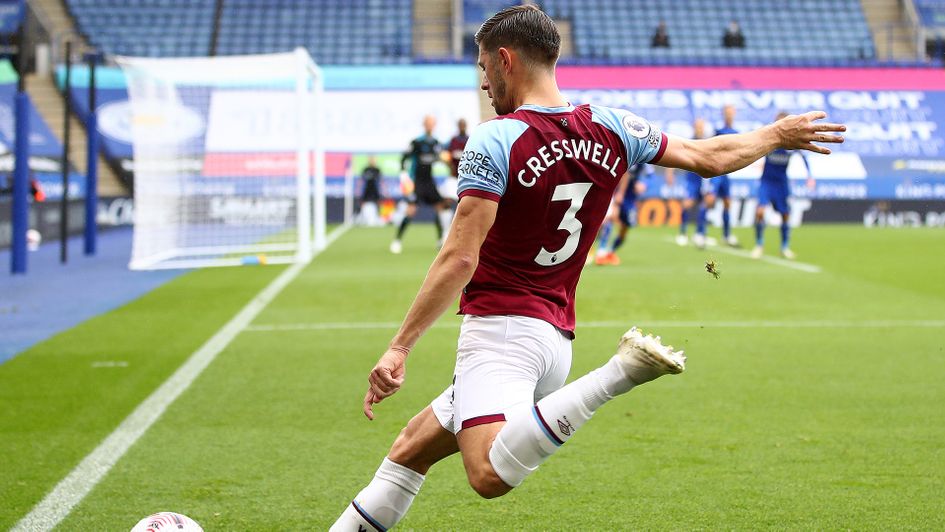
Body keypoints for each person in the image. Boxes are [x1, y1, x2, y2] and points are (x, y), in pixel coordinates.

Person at [330, 6, 843, 530]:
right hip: (553, 342)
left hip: (501, 333)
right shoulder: (612, 126)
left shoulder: (496, 138)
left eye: (484, 68)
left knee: (486, 472)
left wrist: (399, 346)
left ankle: (620, 373)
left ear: (506, 60)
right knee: (410, 450)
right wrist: (775, 135)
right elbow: (709, 156)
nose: (484, 83)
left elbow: (461, 256)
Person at [752, 111, 815, 260]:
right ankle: (759, 245)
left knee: (785, 215)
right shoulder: (768, 141)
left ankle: (785, 247)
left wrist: (810, 176)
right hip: (766, 182)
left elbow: (804, 156)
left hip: (781, 183)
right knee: (760, 212)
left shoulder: (792, 143)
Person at [390, 115, 453, 254]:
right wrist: (404, 175)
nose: (430, 126)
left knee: (441, 207)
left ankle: (440, 239)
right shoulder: (417, 142)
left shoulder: (436, 143)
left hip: (429, 181)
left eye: (432, 124)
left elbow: (440, 158)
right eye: (428, 123)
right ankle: (397, 241)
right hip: (417, 181)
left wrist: (447, 163)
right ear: (424, 125)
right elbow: (404, 158)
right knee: (411, 210)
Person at [593, 162, 651, 266]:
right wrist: (620, 193)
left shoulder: (643, 160)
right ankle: (600, 252)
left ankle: (610, 252)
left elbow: (651, 176)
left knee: (626, 227)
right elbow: (625, 173)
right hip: (615, 192)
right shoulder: (626, 153)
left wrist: (644, 184)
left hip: (630, 198)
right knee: (609, 218)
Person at [668, 118, 712, 248]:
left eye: (701, 126)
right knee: (687, 204)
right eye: (698, 126)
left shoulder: (707, 142)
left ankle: (700, 233)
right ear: (694, 127)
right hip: (692, 180)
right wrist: (670, 172)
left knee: (705, 205)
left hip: (704, 180)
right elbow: (676, 155)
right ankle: (682, 232)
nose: (700, 128)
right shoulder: (690, 141)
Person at [708, 105, 739, 247]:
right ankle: (700, 233)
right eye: (727, 113)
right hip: (716, 172)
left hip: (726, 174)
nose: (729, 115)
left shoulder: (736, 133)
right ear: (723, 114)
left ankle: (726, 235)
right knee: (709, 200)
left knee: (727, 203)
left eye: (731, 113)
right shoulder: (718, 132)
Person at [358, 156, 383, 227]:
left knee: (378, 203)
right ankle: (362, 217)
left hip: (375, 189)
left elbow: (381, 181)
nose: (372, 161)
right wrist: (358, 190)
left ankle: (378, 218)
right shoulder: (366, 169)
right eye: (371, 160)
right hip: (367, 189)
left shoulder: (377, 170)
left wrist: (385, 191)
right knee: (363, 203)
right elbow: (361, 180)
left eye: (373, 160)